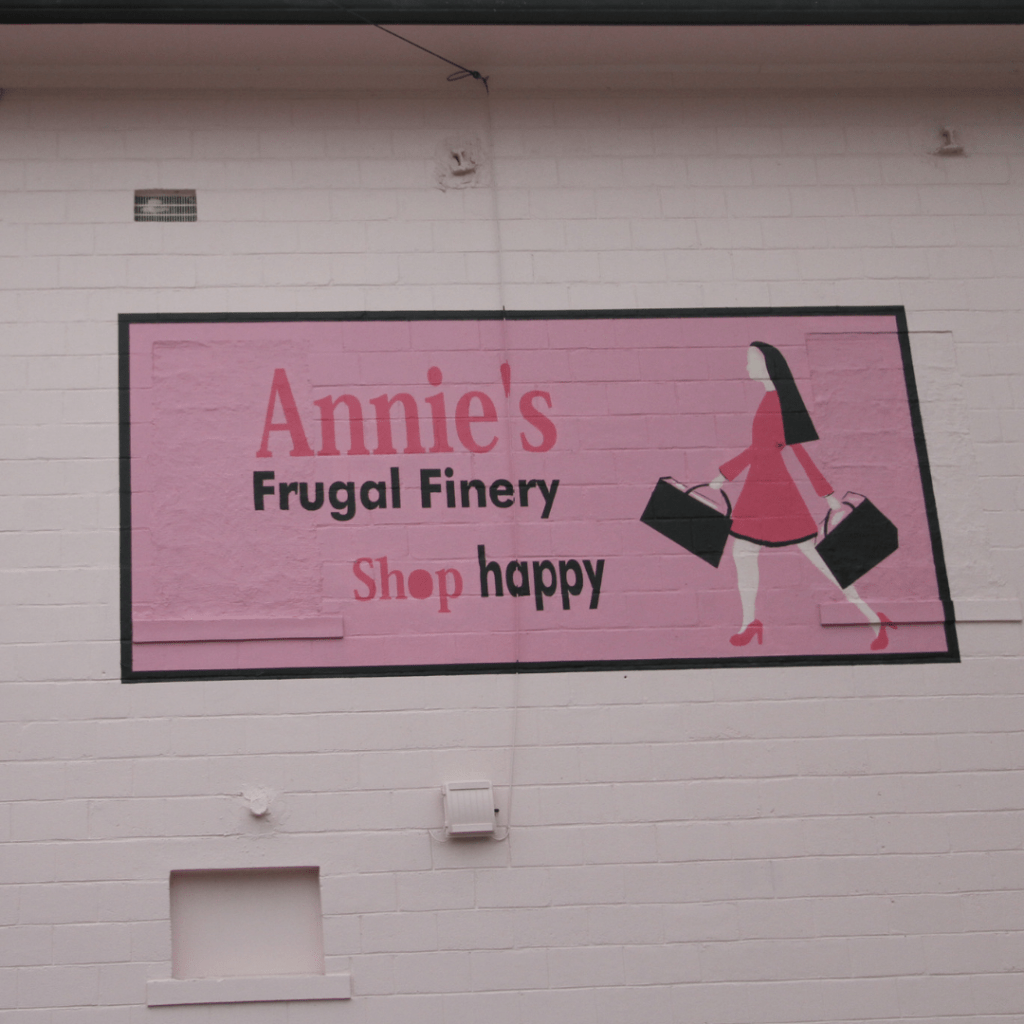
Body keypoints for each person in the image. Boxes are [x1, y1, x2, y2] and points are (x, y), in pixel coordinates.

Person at [709, 342, 894, 650]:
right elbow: (766, 449)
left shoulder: (777, 402)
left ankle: (873, 617)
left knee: (818, 558)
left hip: (774, 492)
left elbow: (791, 452)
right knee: (744, 553)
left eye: (751, 361)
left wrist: (723, 475)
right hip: (760, 490)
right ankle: (750, 622)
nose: (747, 367)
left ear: (768, 365)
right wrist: (724, 475)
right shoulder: (770, 399)